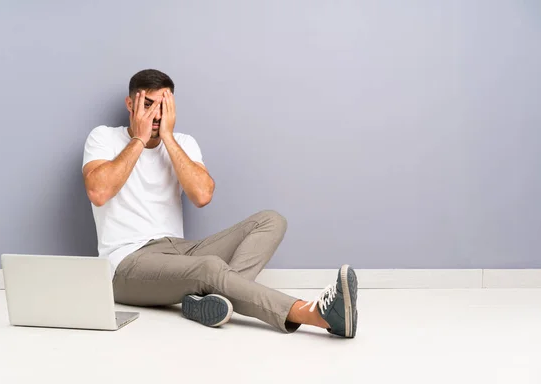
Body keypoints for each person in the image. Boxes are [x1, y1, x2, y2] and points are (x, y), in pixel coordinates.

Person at [82, 69, 358, 338]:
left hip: (179, 252)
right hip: (126, 264)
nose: (156, 115)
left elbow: (202, 196)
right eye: (148, 105)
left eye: (163, 106)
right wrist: (140, 138)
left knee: (270, 220)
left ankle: (214, 301)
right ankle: (316, 314)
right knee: (209, 268)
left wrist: (167, 137)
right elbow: (99, 191)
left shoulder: (183, 143)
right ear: (131, 104)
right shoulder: (104, 138)